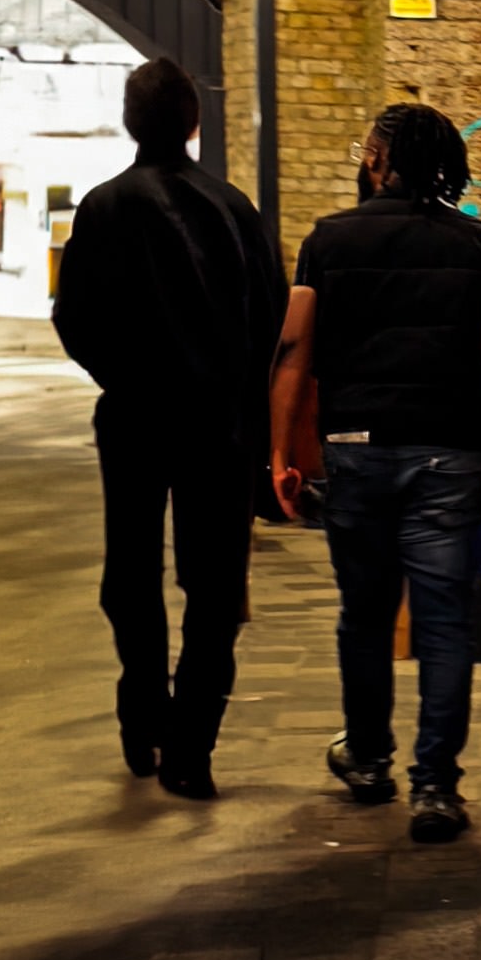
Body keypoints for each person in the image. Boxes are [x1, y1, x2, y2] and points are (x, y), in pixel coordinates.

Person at [270, 101, 481, 844]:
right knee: (444, 622)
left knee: (365, 613)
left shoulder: (328, 240)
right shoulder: (478, 244)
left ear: (380, 160)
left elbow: (294, 351)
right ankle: (436, 787)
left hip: (356, 448)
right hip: (451, 454)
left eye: (366, 150)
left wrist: (280, 454)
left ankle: (369, 760)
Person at [51, 54, 285, 799]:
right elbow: (272, 319)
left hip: (134, 417)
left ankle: (143, 713)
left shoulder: (103, 207)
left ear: (130, 122)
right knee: (214, 588)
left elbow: (74, 317)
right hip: (220, 425)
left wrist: (120, 376)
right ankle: (191, 748)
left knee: (130, 573)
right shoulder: (236, 209)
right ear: (194, 121)